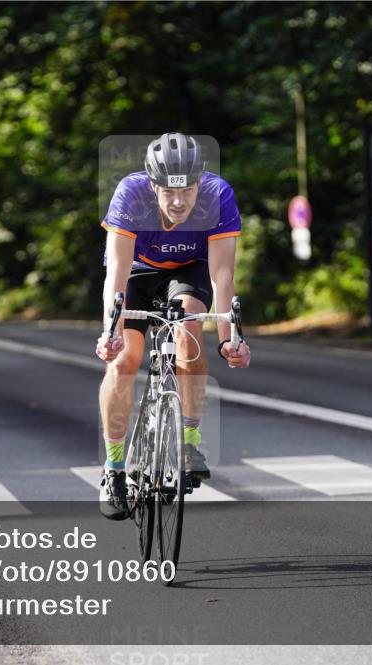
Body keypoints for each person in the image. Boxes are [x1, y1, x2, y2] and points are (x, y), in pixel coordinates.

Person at [94, 132, 251, 520]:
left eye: (188, 190)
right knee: (125, 361)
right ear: (153, 185)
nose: (179, 202)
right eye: (168, 192)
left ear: (200, 182)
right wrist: (110, 332)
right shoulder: (130, 193)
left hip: (188, 270)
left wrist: (230, 340)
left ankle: (189, 442)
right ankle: (114, 470)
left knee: (189, 332)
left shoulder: (218, 195)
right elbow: (116, 270)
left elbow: (222, 275)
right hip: (138, 272)